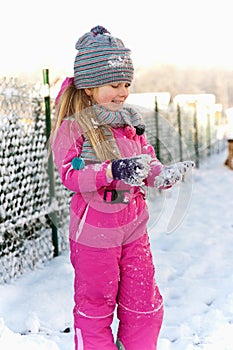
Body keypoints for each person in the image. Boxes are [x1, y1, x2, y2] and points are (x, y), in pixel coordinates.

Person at [51, 25, 195, 350]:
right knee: (95, 308)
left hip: (134, 229)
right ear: (89, 87)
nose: (123, 91)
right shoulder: (74, 128)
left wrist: (159, 175)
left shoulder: (130, 122)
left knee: (145, 306)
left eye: (127, 84)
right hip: (93, 236)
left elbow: (146, 160)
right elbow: (71, 175)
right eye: (115, 84)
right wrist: (112, 170)